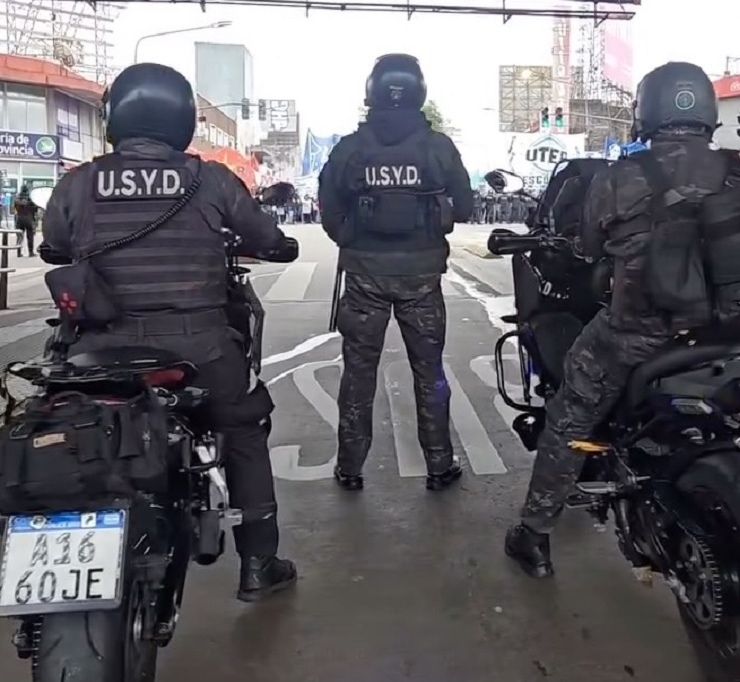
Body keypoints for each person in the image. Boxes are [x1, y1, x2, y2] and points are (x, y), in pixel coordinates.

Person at [505, 61, 740, 578]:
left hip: (634, 335)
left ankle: (533, 534)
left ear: (645, 112)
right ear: (706, 112)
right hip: (729, 333)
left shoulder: (621, 176)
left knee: (569, 415)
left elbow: (586, 248)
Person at [40, 62, 298, 602]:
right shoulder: (210, 179)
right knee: (245, 428)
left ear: (115, 118)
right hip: (200, 346)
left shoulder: (79, 181)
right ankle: (258, 564)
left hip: (100, 351)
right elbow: (269, 238)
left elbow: (55, 243)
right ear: (181, 120)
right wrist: (274, 246)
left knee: (73, 427)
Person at [318, 53, 473, 490]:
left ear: (372, 92)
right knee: (430, 373)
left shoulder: (350, 148)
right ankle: (440, 465)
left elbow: (328, 209)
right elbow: (465, 205)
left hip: (363, 278)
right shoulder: (438, 148)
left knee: (358, 373)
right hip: (423, 278)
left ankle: (350, 467)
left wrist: (351, 240)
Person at [14, 184, 38, 257]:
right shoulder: (31, 199)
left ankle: (18, 252)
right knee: (30, 236)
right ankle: (30, 252)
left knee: (19, 236)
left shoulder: (17, 199)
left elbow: (15, 209)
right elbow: (35, 209)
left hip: (19, 218)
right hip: (29, 218)